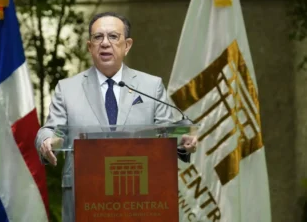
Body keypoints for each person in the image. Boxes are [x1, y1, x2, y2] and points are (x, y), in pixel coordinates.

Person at [35, 12, 198, 222]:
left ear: (127, 45)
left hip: (141, 198)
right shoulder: (67, 89)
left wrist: (183, 142)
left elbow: (166, 132)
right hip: (85, 197)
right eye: (98, 37)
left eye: (113, 36)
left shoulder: (151, 85)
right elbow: (49, 129)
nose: (105, 43)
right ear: (89, 46)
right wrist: (47, 140)